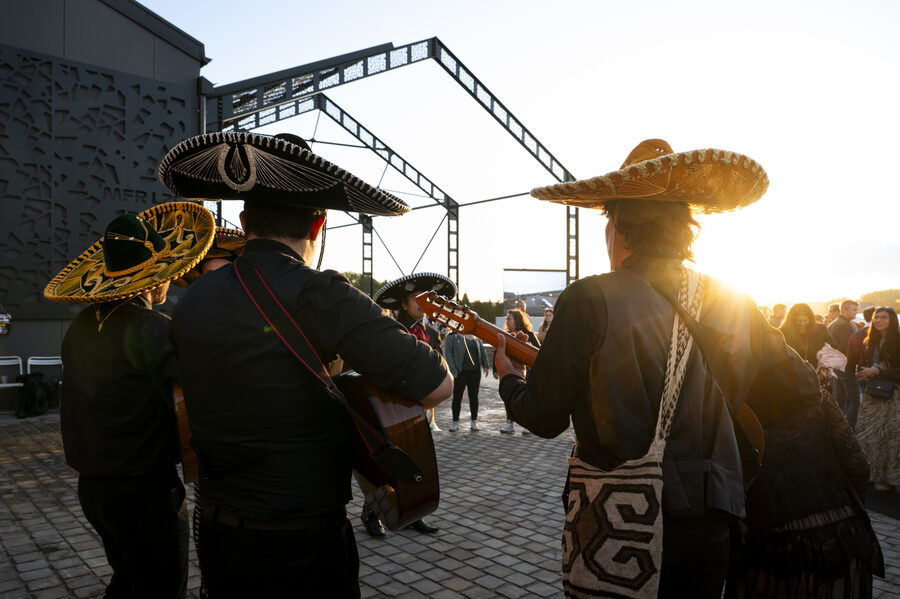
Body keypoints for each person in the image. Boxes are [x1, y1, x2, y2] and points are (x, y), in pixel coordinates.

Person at [495, 139, 821, 598]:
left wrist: (509, 378)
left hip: (617, 517)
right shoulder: (732, 298)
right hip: (713, 518)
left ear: (619, 225)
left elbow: (545, 417)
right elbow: (802, 387)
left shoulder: (589, 297)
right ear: (684, 226)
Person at [160, 132, 452, 598]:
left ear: (244, 221)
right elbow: (437, 386)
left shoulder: (191, 301)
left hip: (219, 532)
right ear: (318, 225)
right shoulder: (322, 293)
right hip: (303, 539)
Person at [44, 202, 217, 599]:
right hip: (145, 493)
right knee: (160, 589)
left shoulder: (79, 327)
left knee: (126, 580)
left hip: (93, 490)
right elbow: (207, 382)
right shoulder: (155, 329)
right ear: (153, 280)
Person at [725, 393, 884, 598]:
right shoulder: (818, 398)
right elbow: (859, 467)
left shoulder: (733, 405)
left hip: (773, 550)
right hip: (846, 540)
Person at [362, 271, 457, 537]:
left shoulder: (432, 333)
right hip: (392, 407)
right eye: (417, 298)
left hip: (420, 409)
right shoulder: (391, 330)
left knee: (419, 461)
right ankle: (371, 513)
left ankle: (415, 511)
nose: (422, 303)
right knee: (386, 463)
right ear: (404, 304)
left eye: (426, 298)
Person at [854, 306, 900, 493]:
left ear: (892, 321)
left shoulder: (897, 340)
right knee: (866, 435)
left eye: (884, 317)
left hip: (892, 396)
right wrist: (865, 373)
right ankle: (870, 474)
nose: (879, 320)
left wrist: (878, 371)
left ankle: (889, 480)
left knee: (889, 438)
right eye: (876, 317)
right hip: (872, 395)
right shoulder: (870, 340)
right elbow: (869, 365)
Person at [500, 308, 539, 434]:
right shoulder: (505, 334)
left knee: (527, 397)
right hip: (510, 370)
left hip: (529, 372)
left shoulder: (529, 334)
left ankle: (527, 424)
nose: (507, 321)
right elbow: (499, 351)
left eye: (509, 319)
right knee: (509, 395)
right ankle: (509, 423)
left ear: (517, 320)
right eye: (506, 319)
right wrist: (496, 369)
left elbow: (538, 352)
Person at [443, 330, 490, 431]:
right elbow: (448, 353)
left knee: (474, 396)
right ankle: (455, 421)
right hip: (460, 372)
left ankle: (474, 421)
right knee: (457, 396)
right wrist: (453, 370)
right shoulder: (453, 336)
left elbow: (482, 350)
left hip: (475, 371)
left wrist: (485, 364)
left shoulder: (476, 335)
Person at [828, 299, 861, 424]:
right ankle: (850, 429)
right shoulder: (845, 325)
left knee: (839, 399)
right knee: (855, 400)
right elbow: (847, 348)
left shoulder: (834, 323)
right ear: (844, 310)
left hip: (835, 366)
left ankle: (837, 426)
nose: (856, 312)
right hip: (845, 366)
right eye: (854, 310)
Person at [779, 303, 828, 367]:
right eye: (798, 321)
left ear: (810, 320)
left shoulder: (821, 329)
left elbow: (832, 348)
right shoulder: (784, 332)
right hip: (792, 370)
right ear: (792, 321)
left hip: (817, 369)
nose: (802, 324)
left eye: (805, 320)